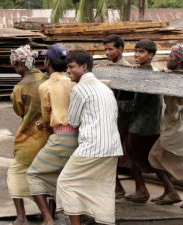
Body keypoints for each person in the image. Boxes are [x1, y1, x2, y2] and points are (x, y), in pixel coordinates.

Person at [56, 50, 123, 225]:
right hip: (112, 146)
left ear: (84, 67)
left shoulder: (80, 88)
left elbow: (73, 121)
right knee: (103, 187)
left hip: (93, 146)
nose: (68, 71)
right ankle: (103, 220)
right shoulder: (104, 87)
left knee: (66, 182)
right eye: (67, 68)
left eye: (71, 67)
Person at [26, 44, 78, 225]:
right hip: (78, 136)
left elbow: (47, 114)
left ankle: (48, 219)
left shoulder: (46, 85)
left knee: (33, 175)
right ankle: (52, 212)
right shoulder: (74, 80)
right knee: (60, 174)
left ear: (48, 62)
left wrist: (43, 122)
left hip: (61, 136)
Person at [148, 43, 183, 212]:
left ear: (178, 62)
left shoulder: (178, 84)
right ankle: (171, 191)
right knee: (155, 156)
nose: (168, 59)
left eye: (171, 57)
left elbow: (172, 112)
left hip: (178, 131)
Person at [8, 44, 51, 225]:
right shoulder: (47, 79)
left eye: (15, 65)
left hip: (29, 138)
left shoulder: (20, 88)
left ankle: (21, 217)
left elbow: (19, 111)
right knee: (47, 177)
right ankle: (50, 213)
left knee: (16, 174)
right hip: (50, 137)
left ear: (20, 65)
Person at [119, 39, 162, 203]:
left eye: (141, 52)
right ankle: (149, 189)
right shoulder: (150, 71)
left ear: (151, 55)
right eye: (136, 51)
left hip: (141, 125)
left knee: (133, 157)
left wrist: (113, 101)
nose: (137, 55)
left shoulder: (146, 76)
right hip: (151, 124)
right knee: (150, 159)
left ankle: (141, 190)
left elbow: (134, 105)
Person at [102, 34, 133, 199]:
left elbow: (126, 102)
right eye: (105, 49)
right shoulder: (111, 67)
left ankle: (118, 188)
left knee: (110, 154)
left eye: (110, 49)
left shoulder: (125, 69)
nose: (107, 52)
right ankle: (116, 187)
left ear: (120, 49)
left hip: (119, 119)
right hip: (113, 118)